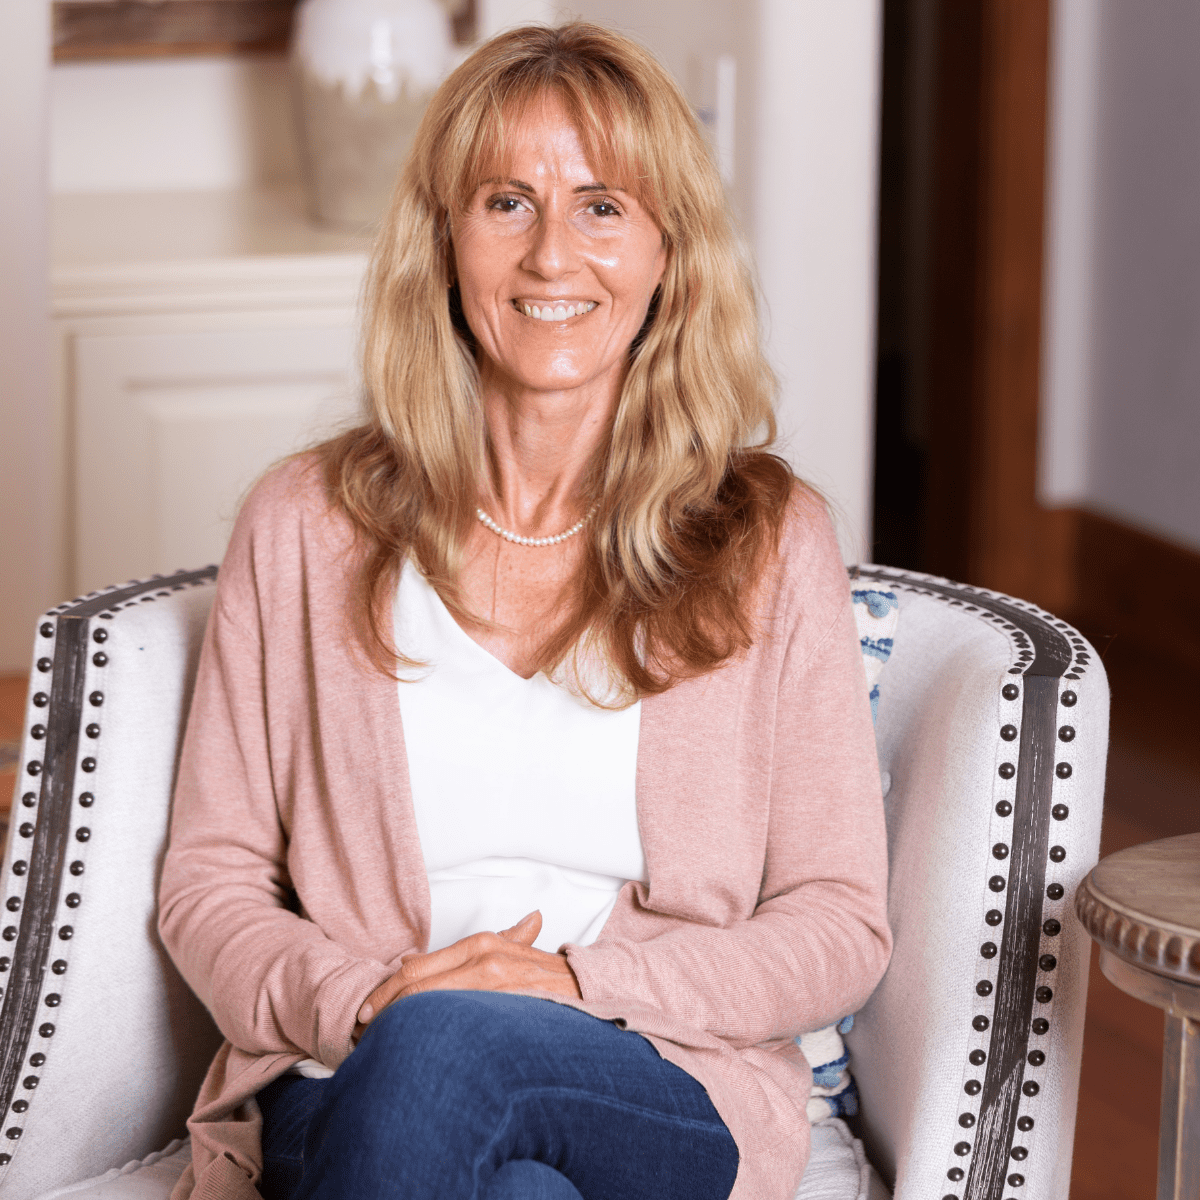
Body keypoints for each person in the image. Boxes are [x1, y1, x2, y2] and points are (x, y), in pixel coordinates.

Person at [158, 21, 891, 1200]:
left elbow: (840, 921)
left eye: (603, 206)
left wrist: (577, 986)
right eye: (508, 203)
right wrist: (370, 998)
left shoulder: (767, 541)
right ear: (445, 242)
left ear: (668, 250)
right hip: (349, 1065)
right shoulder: (304, 524)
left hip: (654, 1069)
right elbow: (211, 879)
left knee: (457, 1051)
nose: (554, 255)